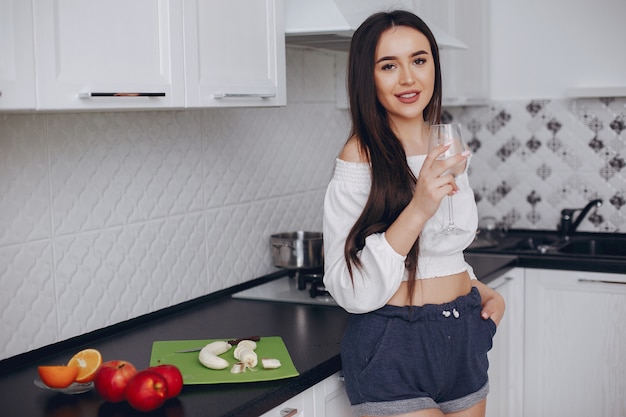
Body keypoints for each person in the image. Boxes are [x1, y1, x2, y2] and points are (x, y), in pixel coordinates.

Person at [322, 10, 505, 417]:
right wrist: (418, 207)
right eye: (389, 66)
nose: (408, 78)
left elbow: (444, 246)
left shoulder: (445, 144)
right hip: (393, 342)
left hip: (463, 333)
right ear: (366, 77)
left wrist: (477, 288)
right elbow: (346, 288)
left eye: (419, 60)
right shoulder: (359, 156)